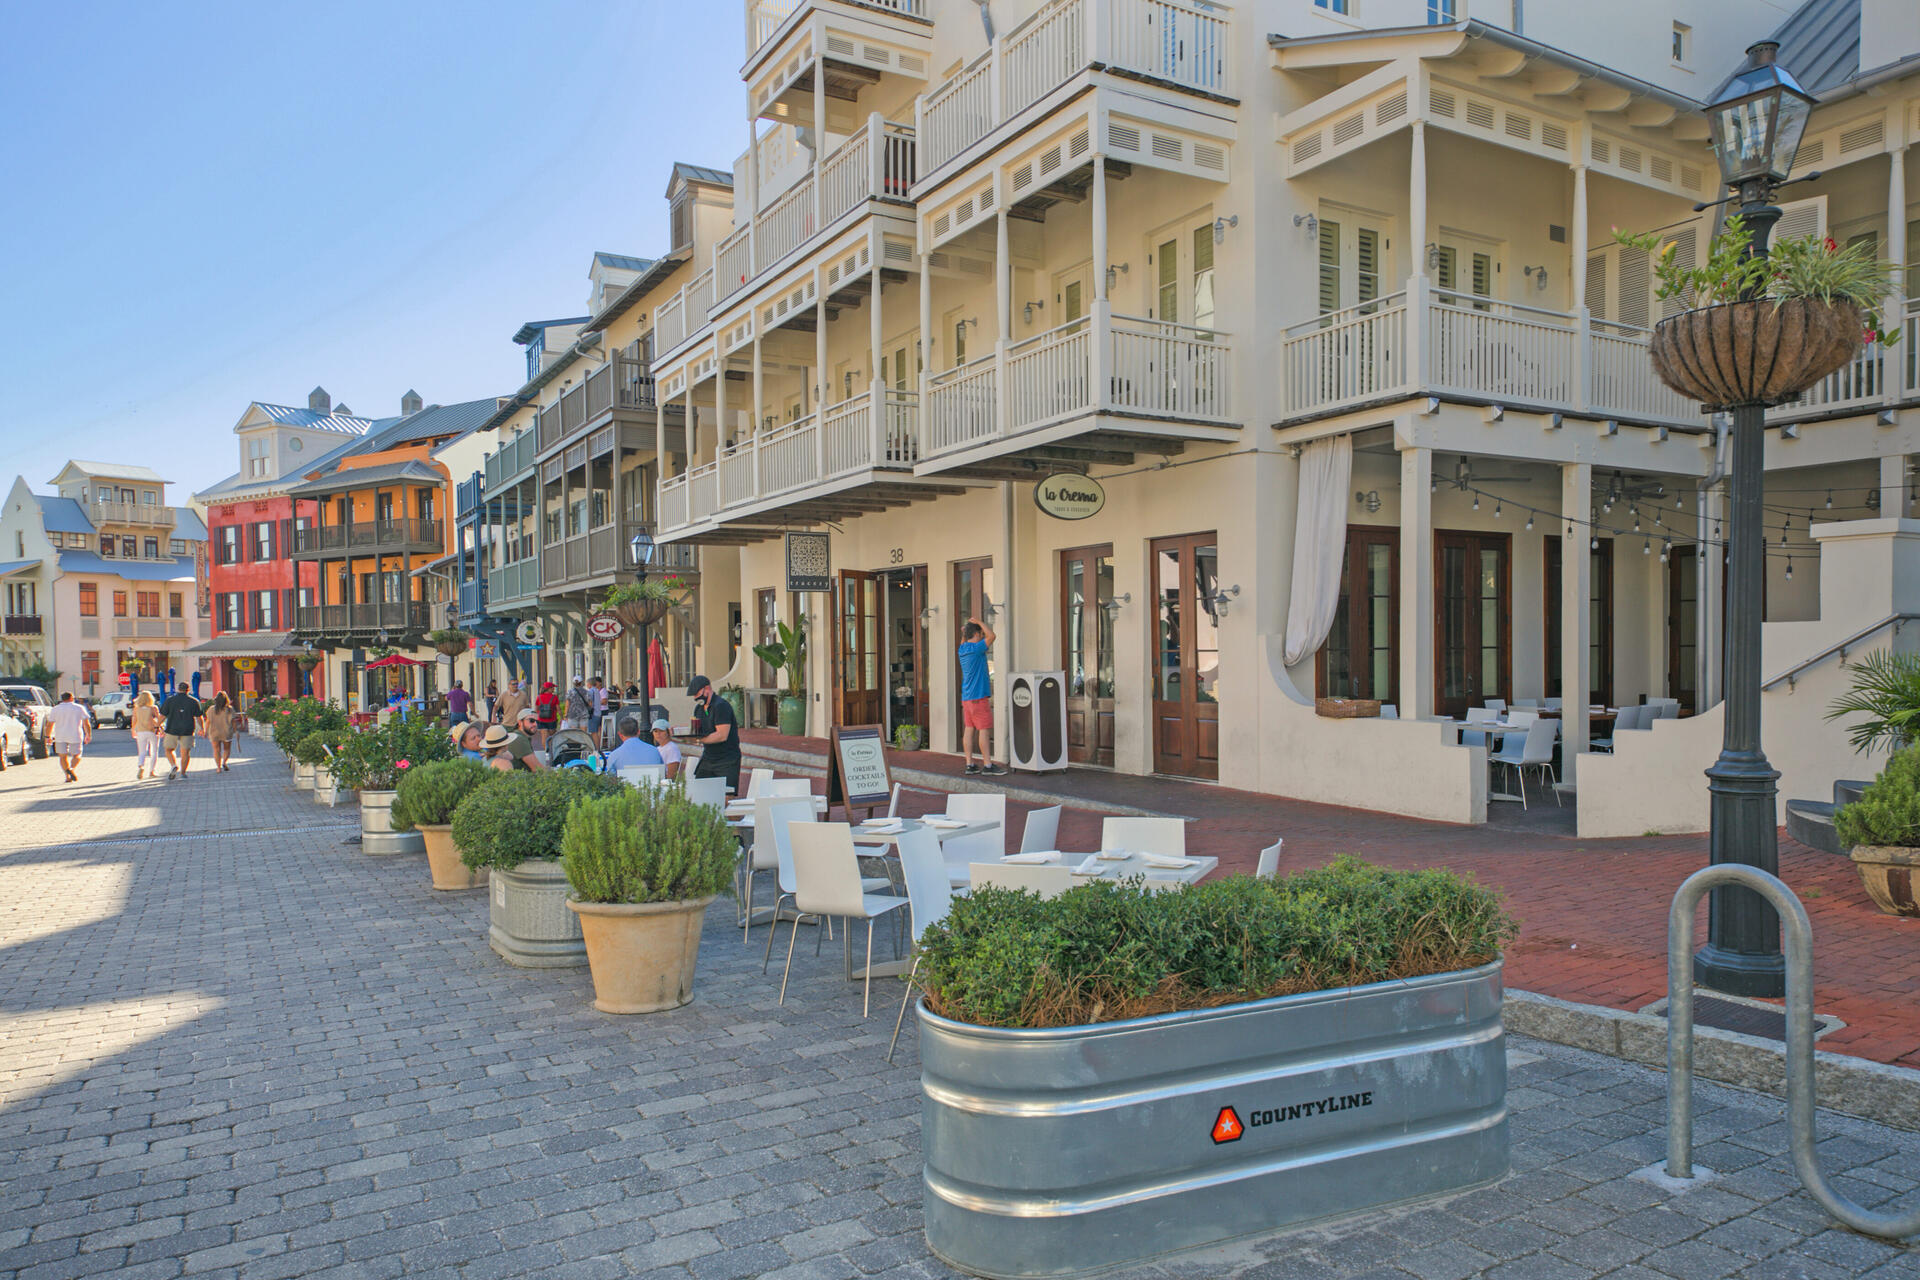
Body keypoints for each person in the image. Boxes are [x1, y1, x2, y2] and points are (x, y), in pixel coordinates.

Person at [957, 616, 1003, 775]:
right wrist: (980, 623)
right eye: (980, 633)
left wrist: (965, 632)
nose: (982, 636)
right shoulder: (976, 649)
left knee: (969, 729)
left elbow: (964, 640)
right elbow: (993, 636)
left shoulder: (962, 649)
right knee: (984, 730)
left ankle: (969, 764)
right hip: (978, 698)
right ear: (976, 634)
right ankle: (988, 766)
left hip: (967, 698)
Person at [686, 675, 740, 795]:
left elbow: (722, 735)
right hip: (708, 757)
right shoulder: (699, 709)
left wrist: (700, 740)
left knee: (726, 797)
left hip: (727, 759)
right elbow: (698, 730)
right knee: (699, 793)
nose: (695, 697)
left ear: (707, 688)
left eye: (696, 694)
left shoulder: (721, 706)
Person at [159, 683, 204, 779]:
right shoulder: (194, 701)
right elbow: (199, 717)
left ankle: (173, 765)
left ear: (178, 689)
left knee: (168, 749)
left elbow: (162, 715)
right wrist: (202, 728)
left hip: (172, 729)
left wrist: (157, 725)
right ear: (188, 690)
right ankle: (183, 773)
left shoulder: (170, 700)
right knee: (185, 753)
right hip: (187, 729)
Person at [47, 691, 92, 784]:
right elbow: (86, 723)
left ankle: (67, 776)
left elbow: (49, 724)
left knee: (62, 756)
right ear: (71, 698)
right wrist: (88, 734)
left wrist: (47, 736)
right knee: (77, 755)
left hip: (60, 735)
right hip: (75, 734)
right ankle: (71, 769)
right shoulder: (79, 708)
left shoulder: (55, 709)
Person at [130, 691, 164, 779]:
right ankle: (152, 771)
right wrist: (161, 728)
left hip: (140, 731)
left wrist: (133, 730)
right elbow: (159, 719)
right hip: (152, 731)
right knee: (153, 751)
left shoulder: (136, 709)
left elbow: (134, 720)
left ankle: (141, 766)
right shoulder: (153, 708)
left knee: (142, 751)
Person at [204, 692, 236, 772]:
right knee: (227, 749)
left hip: (214, 732)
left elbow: (208, 722)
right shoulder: (229, 709)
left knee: (216, 750)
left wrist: (205, 731)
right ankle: (224, 762)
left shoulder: (211, 709)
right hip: (226, 732)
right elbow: (233, 721)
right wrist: (236, 731)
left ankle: (218, 768)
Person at [533, 681, 559, 749]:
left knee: (544, 736)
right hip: (552, 719)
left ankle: (545, 751)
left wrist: (535, 717)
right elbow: (558, 708)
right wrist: (562, 717)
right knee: (551, 736)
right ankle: (551, 750)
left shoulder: (539, 697)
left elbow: (536, 709)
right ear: (549, 688)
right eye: (552, 688)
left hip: (541, 719)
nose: (553, 689)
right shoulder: (554, 697)